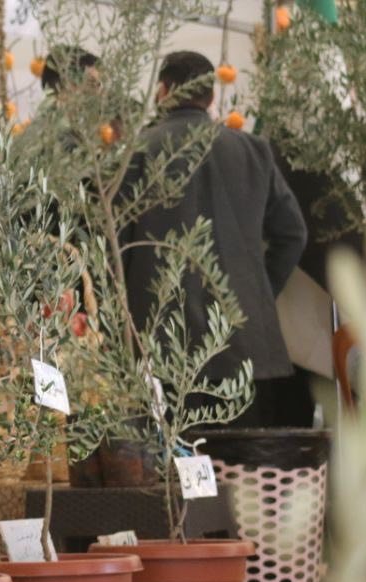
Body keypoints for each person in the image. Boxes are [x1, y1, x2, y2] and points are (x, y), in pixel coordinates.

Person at [122, 51, 308, 426]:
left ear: (164, 90)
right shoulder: (254, 151)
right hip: (242, 342)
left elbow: (117, 245)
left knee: (171, 457)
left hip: (162, 343)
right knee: (239, 457)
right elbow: (293, 233)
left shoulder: (139, 151)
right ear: (211, 96)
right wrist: (259, 291)